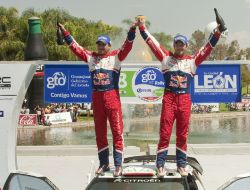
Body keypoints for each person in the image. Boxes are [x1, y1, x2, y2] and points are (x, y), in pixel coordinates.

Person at [137, 14, 226, 176]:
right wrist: (142, 28)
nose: (179, 46)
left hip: (184, 100)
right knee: (165, 132)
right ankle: (160, 164)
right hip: (169, 99)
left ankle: (181, 164)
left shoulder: (192, 61)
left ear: (185, 46)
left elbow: (207, 48)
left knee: (182, 134)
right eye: (177, 44)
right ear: (174, 45)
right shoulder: (165, 58)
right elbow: (152, 43)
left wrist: (218, 32)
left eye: (182, 44)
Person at [58, 22, 137, 176]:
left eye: (103, 44)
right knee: (100, 133)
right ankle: (104, 163)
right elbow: (76, 47)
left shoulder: (116, 56)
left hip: (112, 97)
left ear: (108, 45)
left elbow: (127, 46)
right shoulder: (91, 57)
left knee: (117, 131)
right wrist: (65, 32)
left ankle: (119, 164)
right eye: (99, 44)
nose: (100, 47)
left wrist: (132, 30)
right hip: (97, 98)